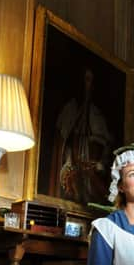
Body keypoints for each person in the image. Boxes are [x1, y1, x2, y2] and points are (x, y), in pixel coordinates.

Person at [49, 66, 113, 204]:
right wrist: (68, 162)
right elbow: (64, 142)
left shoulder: (97, 115)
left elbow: (105, 143)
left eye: (89, 80)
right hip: (74, 162)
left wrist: (100, 163)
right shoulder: (70, 109)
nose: (87, 85)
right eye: (85, 80)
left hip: (90, 166)